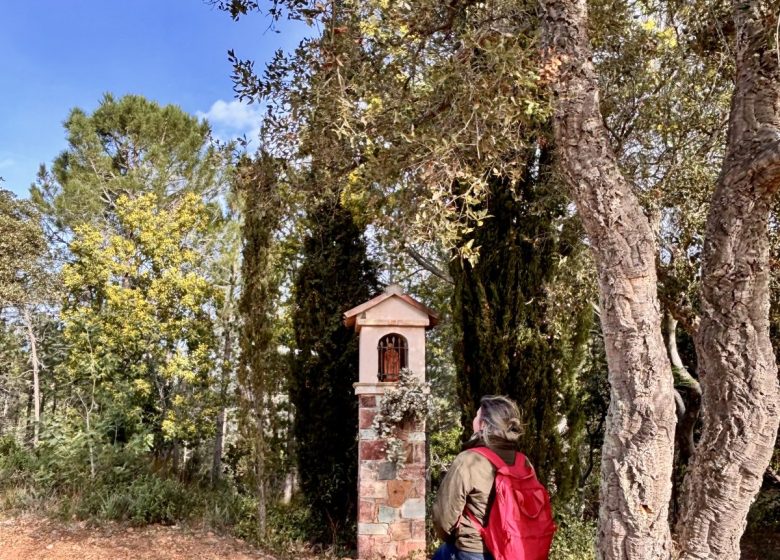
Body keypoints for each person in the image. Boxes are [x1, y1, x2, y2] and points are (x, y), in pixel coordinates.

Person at [431, 395, 524, 560]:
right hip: (514, 549)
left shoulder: (468, 460)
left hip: (475, 549)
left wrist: (455, 537)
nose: (473, 420)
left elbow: (443, 516)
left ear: (483, 425)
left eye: (476, 416)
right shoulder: (523, 462)